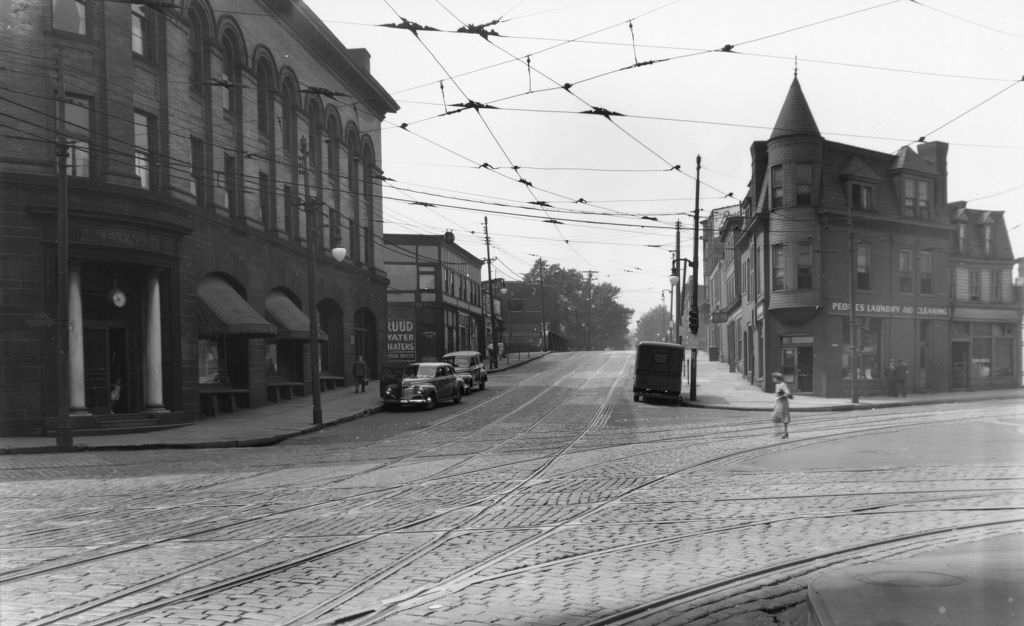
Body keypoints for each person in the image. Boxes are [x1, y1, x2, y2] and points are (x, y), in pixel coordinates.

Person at [771, 372, 792, 439]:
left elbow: (788, 393)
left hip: (783, 403)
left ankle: (785, 433)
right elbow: (776, 394)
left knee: (784, 417)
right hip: (778, 402)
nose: (773, 379)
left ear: (777, 378)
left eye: (774, 378)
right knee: (775, 417)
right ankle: (778, 431)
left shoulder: (783, 385)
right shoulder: (777, 385)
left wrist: (782, 395)